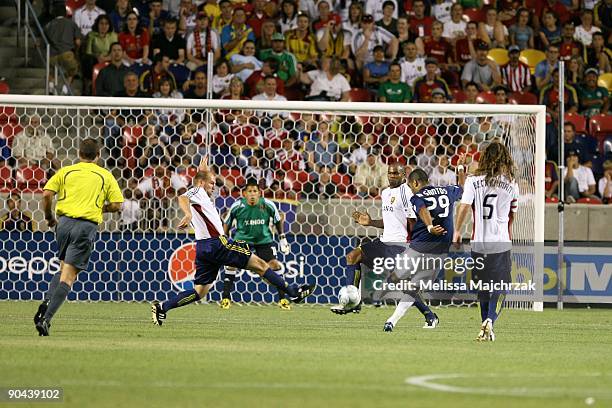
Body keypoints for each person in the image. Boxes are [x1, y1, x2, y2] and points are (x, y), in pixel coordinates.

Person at [150, 158, 315, 326]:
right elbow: (182, 198)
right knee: (261, 264)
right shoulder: (197, 192)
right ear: (201, 182)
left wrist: (204, 170)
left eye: (214, 183)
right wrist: (188, 214)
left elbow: (197, 185)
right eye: (211, 183)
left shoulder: (202, 195)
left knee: (200, 292)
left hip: (203, 248)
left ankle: (163, 307)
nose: (213, 186)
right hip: (218, 243)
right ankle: (293, 293)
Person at [331, 163, 439, 329]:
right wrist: (370, 222)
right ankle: (353, 302)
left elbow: (413, 223)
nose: (392, 176)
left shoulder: (406, 193)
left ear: (404, 175)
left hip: (399, 244)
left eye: (396, 173)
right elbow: (390, 222)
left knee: (400, 283)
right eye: (390, 173)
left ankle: (429, 315)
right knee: (353, 257)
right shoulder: (386, 193)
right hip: (384, 241)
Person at [34, 139, 124, 336]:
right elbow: (117, 204)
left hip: (63, 224)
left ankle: (48, 301)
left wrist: (49, 217)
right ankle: (46, 319)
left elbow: (47, 194)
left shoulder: (66, 172)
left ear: (79, 153)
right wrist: (102, 208)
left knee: (63, 267)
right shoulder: (104, 175)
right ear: (98, 155)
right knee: (69, 276)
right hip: (85, 226)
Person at [383, 164, 466, 332]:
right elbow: (462, 188)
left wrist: (429, 227)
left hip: (420, 246)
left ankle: (393, 321)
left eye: (409, 186)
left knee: (395, 279)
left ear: (415, 183)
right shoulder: (447, 191)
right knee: (411, 287)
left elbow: (422, 210)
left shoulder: (417, 196)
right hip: (440, 250)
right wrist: (461, 169)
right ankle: (423, 317)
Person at [453, 141, 519, 342]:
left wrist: (457, 231)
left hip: (479, 243)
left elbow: (464, 206)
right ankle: (490, 319)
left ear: (484, 158)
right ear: (505, 159)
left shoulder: (474, 181)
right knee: (501, 285)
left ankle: (484, 327)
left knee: (482, 286)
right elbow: (511, 216)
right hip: (500, 241)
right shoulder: (511, 183)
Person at [222, 179, 291, 309]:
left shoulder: (268, 205)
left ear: (259, 193)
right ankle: (225, 298)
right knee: (231, 264)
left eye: (255, 191)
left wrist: (282, 238)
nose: (252, 194)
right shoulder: (237, 206)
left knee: (274, 265)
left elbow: (278, 220)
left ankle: (282, 300)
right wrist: (224, 239)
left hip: (263, 240)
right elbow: (227, 222)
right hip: (242, 240)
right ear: (244, 194)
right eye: (249, 191)